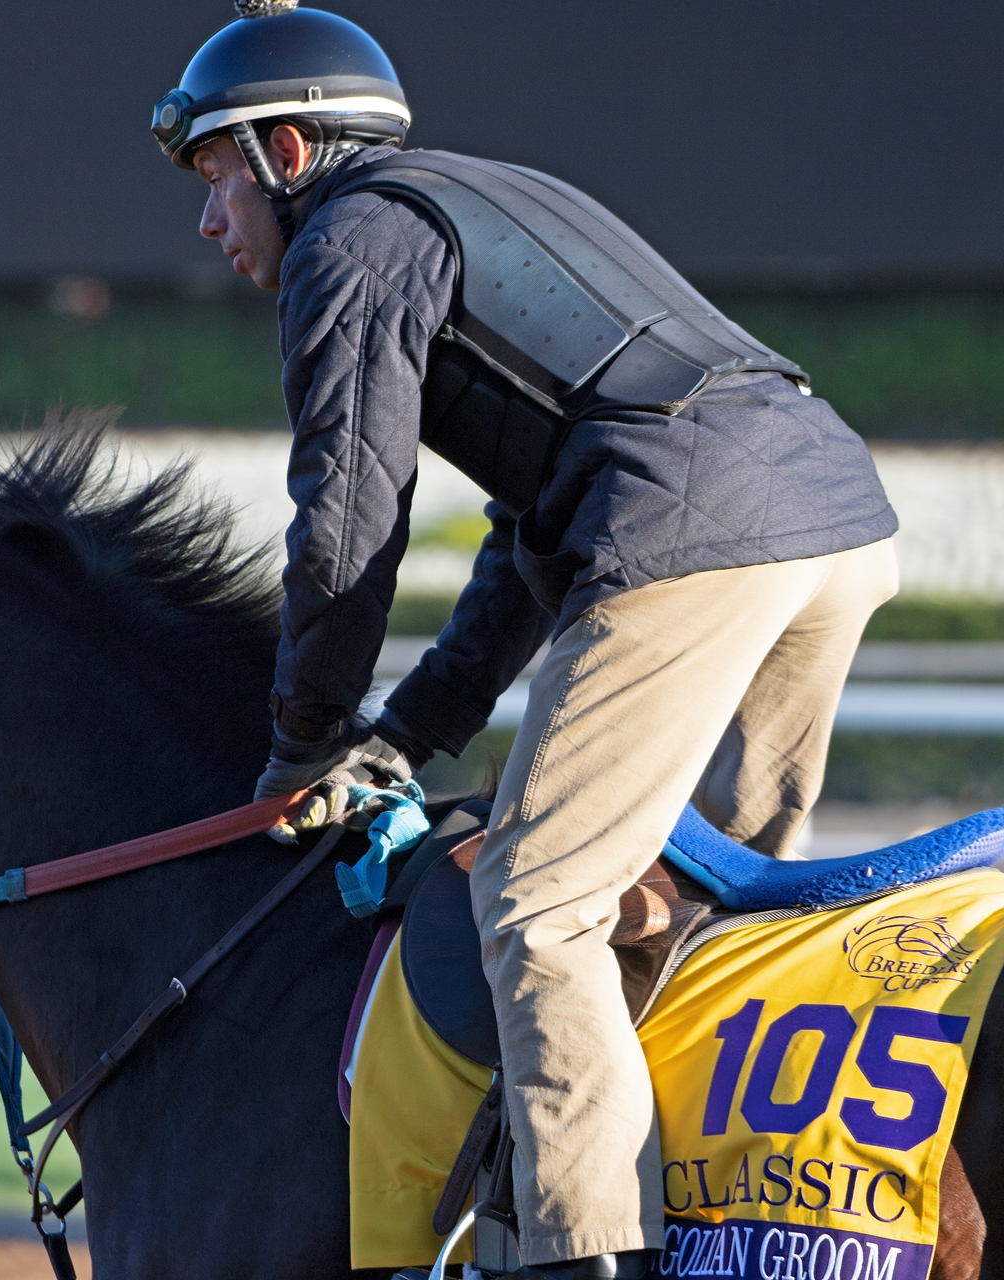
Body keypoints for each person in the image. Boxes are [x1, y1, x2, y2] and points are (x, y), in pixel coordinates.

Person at [152, 3, 900, 1278]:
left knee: (535, 902)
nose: (210, 221)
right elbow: (526, 541)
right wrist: (404, 736)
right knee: (709, 899)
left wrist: (302, 740)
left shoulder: (351, 240)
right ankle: (754, 1205)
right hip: (835, 513)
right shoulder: (472, 197)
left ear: (287, 155)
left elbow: (344, 523)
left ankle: (582, 1253)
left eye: (217, 175)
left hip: (694, 531)